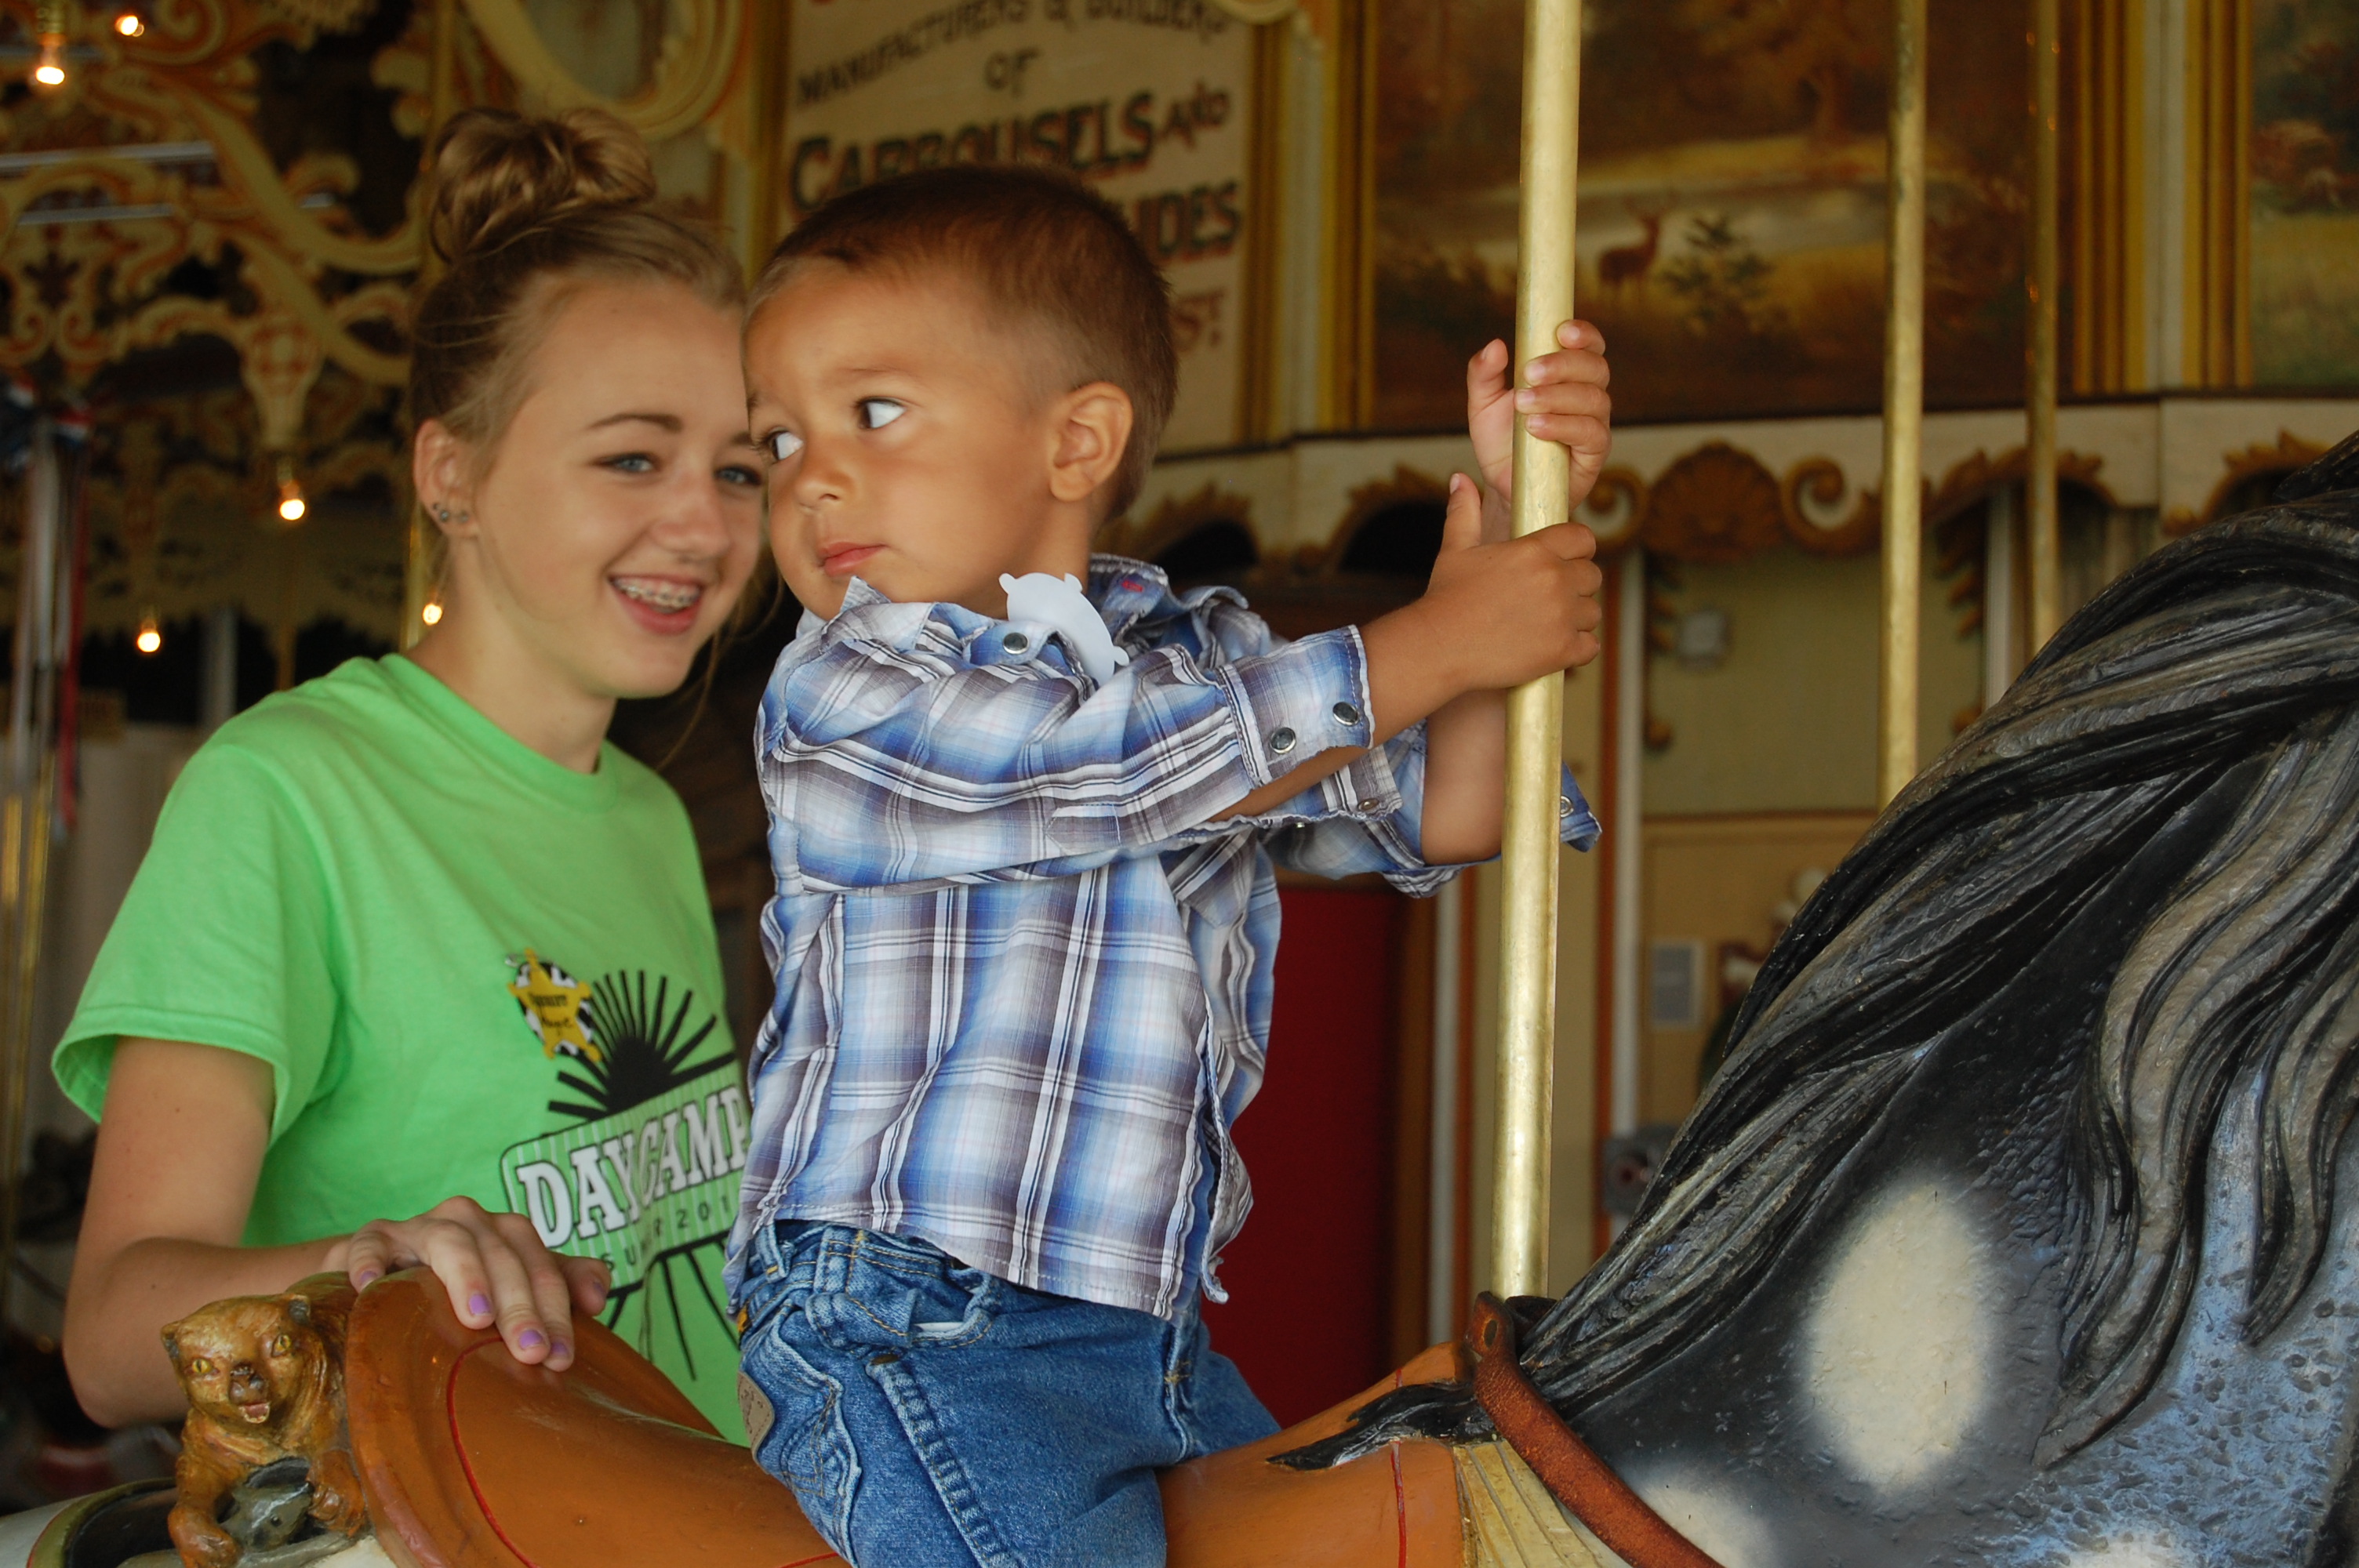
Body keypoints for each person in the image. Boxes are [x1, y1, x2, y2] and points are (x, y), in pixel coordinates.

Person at [728, 165, 1612, 1566]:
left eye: (873, 412)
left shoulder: (1193, 664)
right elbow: (1119, 766)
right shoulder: (847, 691)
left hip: (1139, 1336)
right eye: (775, 440)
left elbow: (1449, 807)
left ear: (1077, 441)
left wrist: (1508, 528)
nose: (810, 473)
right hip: (917, 1323)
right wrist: (1443, 640)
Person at [56, 107, 765, 1436]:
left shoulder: (652, 817)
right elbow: (109, 1336)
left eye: (741, 466)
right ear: (454, 473)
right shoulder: (287, 791)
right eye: (633, 456)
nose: (705, 523)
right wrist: (377, 1270)